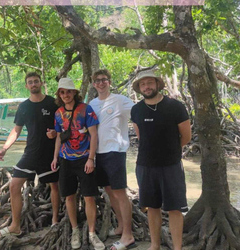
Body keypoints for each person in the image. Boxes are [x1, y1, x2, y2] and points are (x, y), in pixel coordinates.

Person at [130, 69, 191, 250]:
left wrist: (170, 151)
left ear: (157, 84)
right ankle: (154, 245)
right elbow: (141, 137)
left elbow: (186, 137)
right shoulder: (136, 110)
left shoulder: (175, 106)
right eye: (143, 84)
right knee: (151, 207)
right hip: (145, 165)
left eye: (150, 83)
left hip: (171, 165)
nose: (146, 87)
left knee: (175, 208)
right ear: (139, 88)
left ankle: (177, 247)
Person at [0, 72, 60, 238]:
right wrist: (4, 148)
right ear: (26, 86)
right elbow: (16, 130)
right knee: (14, 185)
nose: (33, 84)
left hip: (49, 153)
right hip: (30, 153)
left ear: (41, 83)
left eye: (36, 81)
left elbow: (63, 125)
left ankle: (55, 220)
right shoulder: (23, 107)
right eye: (30, 82)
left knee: (55, 186)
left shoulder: (53, 103)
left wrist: (55, 132)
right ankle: (15, 226)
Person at [51, 77, 105, 250]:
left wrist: (91, 158)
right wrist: (55, 157)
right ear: (59, 94)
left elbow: (94, 135)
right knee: (69, 196)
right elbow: (59, 137)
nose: (66, 94)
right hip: (66, 159)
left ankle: (91, 233)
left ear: (74, 92)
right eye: (62, 92)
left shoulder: (86, 110)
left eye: (68, 91)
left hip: (84, 159)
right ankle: (74, 230)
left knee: (89, 197)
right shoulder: (58, 113)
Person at [89, 69, 136, 250]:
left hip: (115, 151)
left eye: (104, 80)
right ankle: (122, 226)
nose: (101, 83)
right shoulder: (92, 104)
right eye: (98, 80)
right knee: (109, 191)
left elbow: (138, 114)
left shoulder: (121, 101)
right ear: (94, 84)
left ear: (109, 82)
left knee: (119, 192)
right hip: (98, 154)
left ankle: (128, 235)